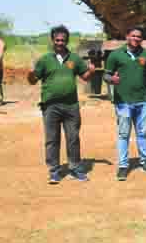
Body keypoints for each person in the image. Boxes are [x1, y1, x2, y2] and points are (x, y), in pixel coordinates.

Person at [27, 25, 96, 184]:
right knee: (52, 139)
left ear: (67, 41)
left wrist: (91, 71)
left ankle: (75, 169)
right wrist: (30, 74)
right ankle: (54, 171)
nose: (60, 42)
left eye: (63, 40)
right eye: (57, 40)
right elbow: (32, 81)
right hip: (50, 106)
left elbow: (84, 77)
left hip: (71, 106)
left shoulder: (74, 59)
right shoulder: (45, 60)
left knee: (73, 138)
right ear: (52, 40)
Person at [104, 26, 146, 181]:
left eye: (139, 37)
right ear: (127, 36)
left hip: (143, 102)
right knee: (123, 134)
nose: (136, 39)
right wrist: (112, 80)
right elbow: (106, 75)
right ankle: (123, 166)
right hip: (123, 101)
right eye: (133, 35)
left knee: (142, 133)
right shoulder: (115, 55)